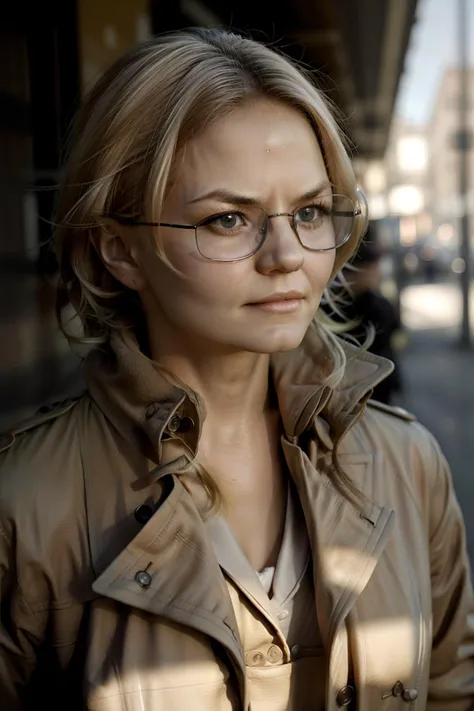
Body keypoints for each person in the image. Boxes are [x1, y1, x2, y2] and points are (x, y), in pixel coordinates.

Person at [0, 28, 473, 711]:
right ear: (118, 250)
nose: (287, 254)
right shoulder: (26, 505)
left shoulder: (409, 461)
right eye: (228, 219)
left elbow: (452, 687)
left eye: (309, 211)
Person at [339, 229, 406, 404]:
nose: (377, 274)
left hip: (370, 385)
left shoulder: (334, 305)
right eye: (373, 269)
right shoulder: (375, 305)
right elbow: (397, 335)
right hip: (370, 386)